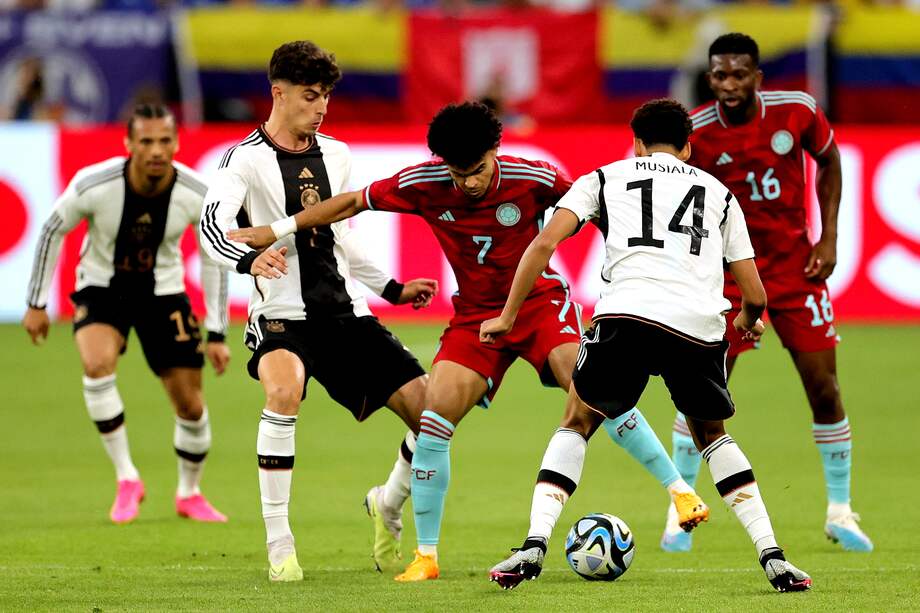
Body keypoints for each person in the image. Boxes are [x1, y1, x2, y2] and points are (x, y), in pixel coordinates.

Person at [228, 101, 709, 582]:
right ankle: (427, 557)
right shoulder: (424, 184)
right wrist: (277, 229)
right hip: (476, 317)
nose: (470, 183)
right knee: (433, 418)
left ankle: (679, 491)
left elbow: (602, 211)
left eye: (477, 170)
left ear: (495, 151)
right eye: (459, 174)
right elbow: (352, 202)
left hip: (539, 304)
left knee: (592, 386)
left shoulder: (534, 177)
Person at [483, 98, 812, 593]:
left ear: (635, 141)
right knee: (713, 437)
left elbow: (544, 244)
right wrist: (747, 321)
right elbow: (756, 294)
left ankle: (533, 544)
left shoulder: (604, 177)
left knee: (577, 418)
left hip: (627, 318)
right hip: (696, 328)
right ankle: (773, 556)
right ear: (688, 146)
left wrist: (508, 316)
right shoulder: (719, 192)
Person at [197, 40, 437, 583]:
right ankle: (280, 542)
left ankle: (387, 502)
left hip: (344, 314)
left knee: (434, 415)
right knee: (284, 391)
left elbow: (341, 237)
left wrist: (392, 288)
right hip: (282, 315)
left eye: (326, 95)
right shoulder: (243, 160)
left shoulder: (337, 154)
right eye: (311, 95)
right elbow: (211, 227)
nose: (321, 106)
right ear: (278, 93)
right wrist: (249, 258)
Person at [661, 32, 872, 553]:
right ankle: (680, 511)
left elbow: (830, 161)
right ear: (709, 78)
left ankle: (841, 512)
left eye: (738, 75)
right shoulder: (698, 134)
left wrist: (829, 235)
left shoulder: (796, 112)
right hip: (729, 281)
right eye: (719, 76)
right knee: (703, 393)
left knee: (824, 388)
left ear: (757, 77)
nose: (728, 85)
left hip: (796, 272)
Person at [23, 104, 230, 525]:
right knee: (97, 365)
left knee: (190, 405)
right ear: (129, 144)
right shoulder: (95, 183)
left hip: (164, 294)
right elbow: (50, 230)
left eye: (165, 141)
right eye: (146, 141)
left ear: (175, 142)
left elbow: (215, 256)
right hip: (102, 289)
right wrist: (36, 303)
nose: (156, 150)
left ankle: (189, 493)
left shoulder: (196, 191)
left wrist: (217, 330)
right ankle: (127, 478)